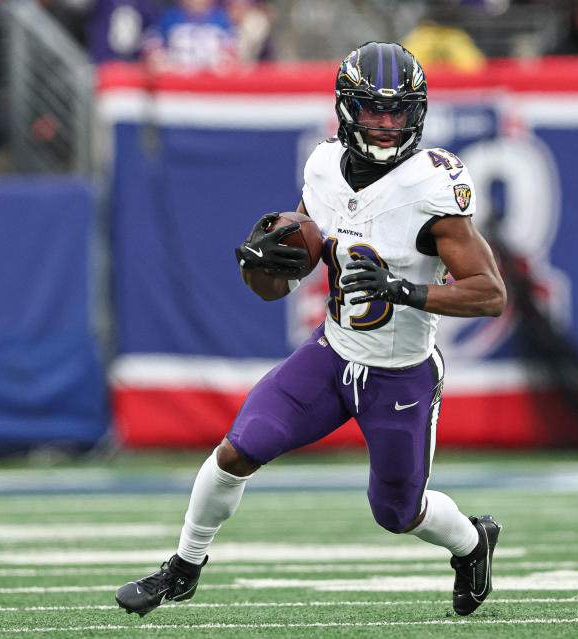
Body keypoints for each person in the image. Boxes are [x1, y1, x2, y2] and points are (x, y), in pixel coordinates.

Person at [115, 41, 507, 618]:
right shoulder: (323, 167)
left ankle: (473, 543)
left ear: (417, 115)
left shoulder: (433, 190)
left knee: (398, 512)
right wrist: (265, 264)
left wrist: (403, 290)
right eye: (373, 112)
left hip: (400, 373)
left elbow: (490, 293)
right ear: (348, 110)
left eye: (396, 113)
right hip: (330, 354)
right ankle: (183, 567)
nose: (384, 126)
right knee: (237, 451)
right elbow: (289, 273)